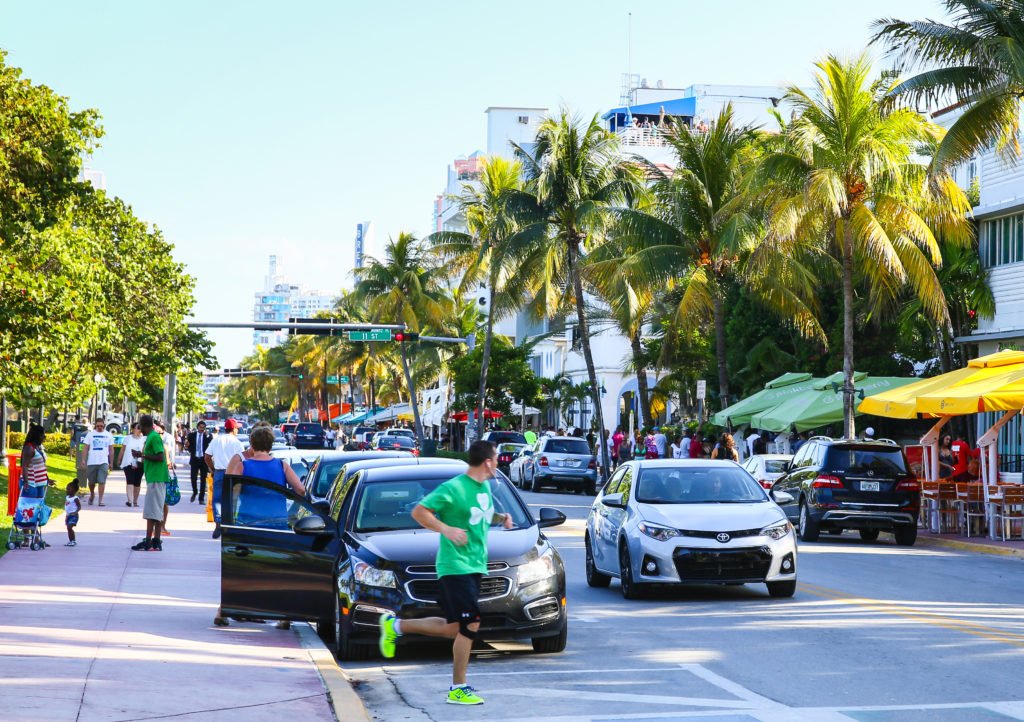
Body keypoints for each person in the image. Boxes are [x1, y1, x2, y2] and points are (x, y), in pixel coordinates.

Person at [378, 441, 512, 706]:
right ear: (487, 461)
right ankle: (458, 688)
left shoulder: (483, 487)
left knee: (454, 629)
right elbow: (419, 511)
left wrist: (501, 518)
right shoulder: (453, 488)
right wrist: (445, 529)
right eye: (496, 458)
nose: (499, 462)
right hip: (455, 566)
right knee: (471, 623)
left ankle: (394, 626)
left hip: (475, 565)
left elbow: (480, 514)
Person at [216, 425, 307, 628]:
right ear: (271, 444)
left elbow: (232, 492)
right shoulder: (282, 466)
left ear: (252, 443)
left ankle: (223, 611)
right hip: (277, 525)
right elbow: (300, 489)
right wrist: (291, 508)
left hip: (248, 524)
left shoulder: (244, 465)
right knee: (279, 570)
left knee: (240, 569)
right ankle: (284, 616)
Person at [130, 415, 168, 552]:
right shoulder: (151, 437)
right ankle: (155, 541)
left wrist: (142, 456)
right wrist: (140, 456)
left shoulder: (154, 437)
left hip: (157, 479)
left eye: (140, 426)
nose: (139, 430)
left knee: (152, 512)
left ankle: (149, 541)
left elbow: (160, 456)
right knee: (155, 511)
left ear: (144, 426)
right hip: (153, 477)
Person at [205, 418, 245, 539]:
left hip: (219, 472)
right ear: (233, 429)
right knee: (233, 499)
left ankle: (218, 523)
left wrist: (212, 469)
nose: (237, 430)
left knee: (217, 498)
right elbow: (242, 460)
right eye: (237, 428)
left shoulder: (217, 440)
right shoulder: (237, 442)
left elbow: (207, 456)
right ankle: (230, 524)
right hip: (233, 473)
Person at [80, 418, 115, 506]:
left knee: (101, 481)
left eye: (101, 426)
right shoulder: (90, 435)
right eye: (98, 426)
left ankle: (101, 500)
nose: (99, 427)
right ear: (95, 425)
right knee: (91, 482)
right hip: (92, 462)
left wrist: (111, 462)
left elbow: (111, 450)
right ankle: (92, 494)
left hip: (103, 462)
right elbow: (85, 448)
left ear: (104, 425)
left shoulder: (108, 435)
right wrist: (83, 460)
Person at [20, 424, 53, 500]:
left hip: (39, 484)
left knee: (37, 509)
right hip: (31, 485)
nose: (44, 438)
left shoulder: (37, 447)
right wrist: (26, 482)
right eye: (43, 436)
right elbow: (25, 466)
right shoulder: (29, 448)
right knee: (29, 509)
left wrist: (46, 479)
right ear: (38, 436)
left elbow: (40, 466)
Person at [155, 421, 177, 536]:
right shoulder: (152, 443)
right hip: (155, 477)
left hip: (162, 477)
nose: (160, 436)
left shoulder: (164, 447)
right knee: (160, 502)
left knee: (163, 502)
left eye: (161, 433)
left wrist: (170, 463)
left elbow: (168, 462)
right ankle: (158, 526)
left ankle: (161, 526)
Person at [117, 423, 146, 507]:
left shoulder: (145, 439)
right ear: (133, 429)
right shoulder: (128, 438)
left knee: (137, 482)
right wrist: (119, 459)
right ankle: (129, 500)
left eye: (140, 428)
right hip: (128, 462)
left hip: (140, 463)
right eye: (137, 428)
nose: (139, 430)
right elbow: (123, 450)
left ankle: (135, 501)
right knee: (130, 480)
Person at [186, 421, 213, 504]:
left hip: (203, 459)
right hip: (195, 459)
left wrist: (208, 436)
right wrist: (190, 449)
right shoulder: (191, 435)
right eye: (200, 427)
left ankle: (201, 499)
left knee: (203, 479)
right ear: (197, 427)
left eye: (203, 427)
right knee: (193, 477)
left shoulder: (207, 436)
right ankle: (195, 491)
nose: (202, 429)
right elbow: (187, 445)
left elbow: (211, 445)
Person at [64, 480, 81, 547]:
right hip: (68, 515)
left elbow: (79, 506)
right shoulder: (67, 497)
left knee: (69, 527)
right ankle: (71, 541)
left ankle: (73, 541)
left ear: (74, 490)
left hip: (73, 515)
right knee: (68, 528)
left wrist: (75, 512)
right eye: (66, 489)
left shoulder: (75, 498)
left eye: (68, 489)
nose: (67, 490)